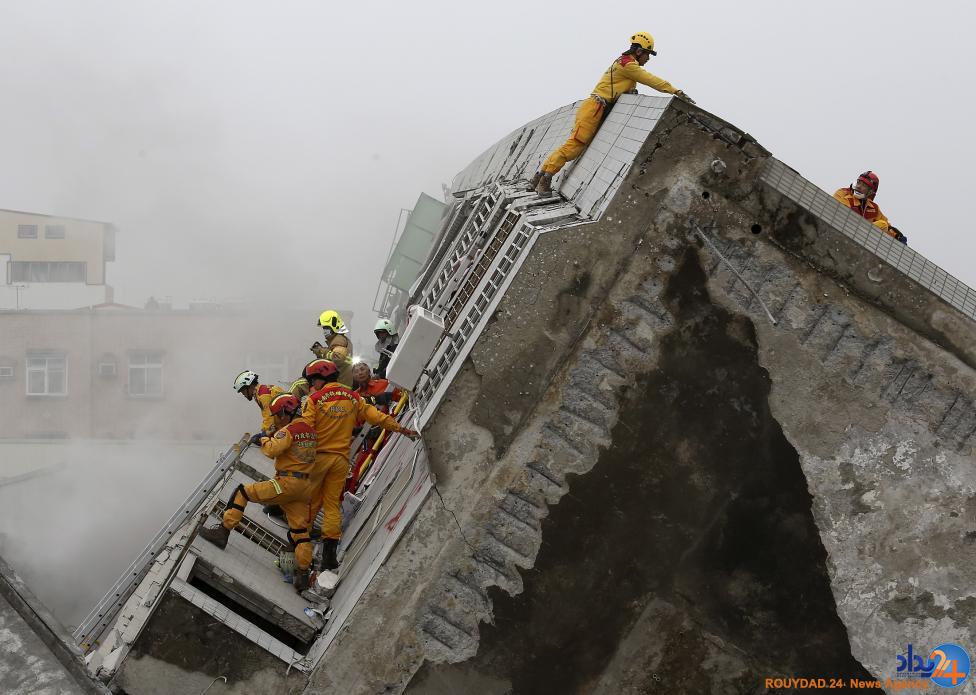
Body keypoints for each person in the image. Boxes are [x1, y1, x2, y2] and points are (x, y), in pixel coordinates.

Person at [529, 31, 694, 196]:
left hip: (592, 107)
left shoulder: (623, 63)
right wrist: (674, 90)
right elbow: (650, 79)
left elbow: (624, 86)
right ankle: (545, 181)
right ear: (639, 51)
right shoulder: (628, 65)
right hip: (594, 110)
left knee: (569, 145)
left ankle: (537, 179)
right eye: (648, 54)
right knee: (573, 148)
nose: (648, 59)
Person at [300, 359, 419, 570]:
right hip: (340, 461)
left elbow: (306, 432)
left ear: (320, 379)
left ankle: (300, 547)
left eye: (313, 381)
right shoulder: (354, 397)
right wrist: (402, 429)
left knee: (309, 503)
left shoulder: (314, 399)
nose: (312, 385)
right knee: (331, 507)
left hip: (319, 459)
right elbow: (377, 417)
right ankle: (329, 554)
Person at [198, 394, 319, 592]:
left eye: (277, 416)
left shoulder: (289, 430)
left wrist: (263, 437)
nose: (276, 420)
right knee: (300, 532)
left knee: (243, 492)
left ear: (285, 413)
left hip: (286, 484)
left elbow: (272, 450)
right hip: (304, 487)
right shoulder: (310, 431)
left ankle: (223, 531)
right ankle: (303, 575)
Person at [833, 171, 906, 243]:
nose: (859, 186)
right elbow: (842, 212)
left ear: (870, 191)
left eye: (864, 185)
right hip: (842, 229)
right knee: (882, 224)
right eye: (859, 182)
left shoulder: (873, 208)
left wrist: (898, 237)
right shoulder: (843, 193)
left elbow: (887, 227)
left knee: (883, 224)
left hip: (860, 239)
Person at [311, 310, 354, 386]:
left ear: (334, 326)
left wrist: (321, 351)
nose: (324, 331)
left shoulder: (338, 340)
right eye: (323, 328)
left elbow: (338, 358)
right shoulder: (340, 340)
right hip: (343, 383)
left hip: (340, 385)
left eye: (326, 328)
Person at [233, 370, 283, 435]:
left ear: (249, 386)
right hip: (284, 424)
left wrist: (263, 433)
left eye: (243, 391)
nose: (243, 394)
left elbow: (269, 417)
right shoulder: (262, 391)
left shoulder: (263, 395)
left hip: (286, 426)